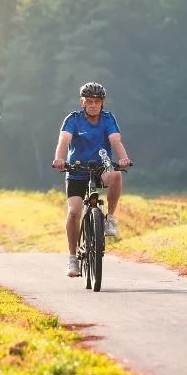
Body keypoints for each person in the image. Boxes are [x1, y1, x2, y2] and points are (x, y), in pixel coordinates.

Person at [52, 82, 131, 277]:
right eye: (89, 101)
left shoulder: (108, 118)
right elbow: (64, 140)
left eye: (97, 101)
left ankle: (110, 219)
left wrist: (123, 158)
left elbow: (115, 140)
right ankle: (72, 259)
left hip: (100, 168)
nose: (93, 105)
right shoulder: (73, 119)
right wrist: (60, 159)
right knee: (74, 212)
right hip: (76, 170)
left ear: (102, 103)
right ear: (82, 102)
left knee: (116, 175)